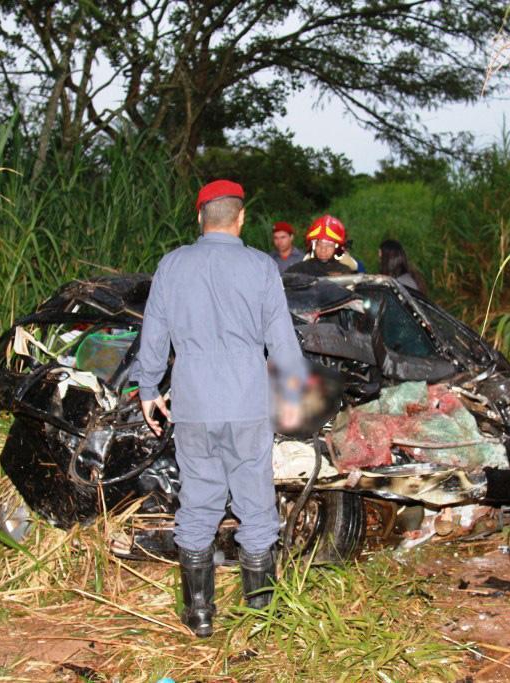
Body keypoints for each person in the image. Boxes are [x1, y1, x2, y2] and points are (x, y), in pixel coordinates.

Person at [131, 179, 307, 638]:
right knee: (256, 507)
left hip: (193, 404)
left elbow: (154, 337)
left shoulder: (172, 266)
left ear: (199, 218)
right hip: (248, 403)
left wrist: (148, 388)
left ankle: (200, 615)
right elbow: (283, 343)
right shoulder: (261, 267)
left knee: (198, 506)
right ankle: (261, 615)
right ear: (242, 217)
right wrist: (293, 401)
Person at [286, 214, 360, 277]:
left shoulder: (346, 272)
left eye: (329, 245)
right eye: (319, 244)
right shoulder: (297, 270)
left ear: (337, 247)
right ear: (313, 246)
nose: (323, 249)